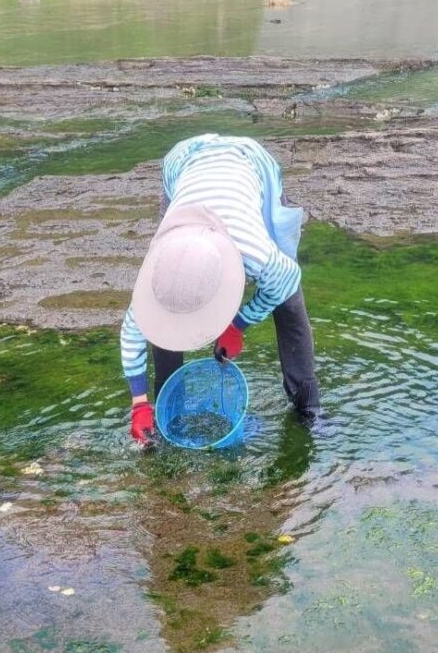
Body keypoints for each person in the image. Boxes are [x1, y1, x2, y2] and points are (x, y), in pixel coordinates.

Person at [120, 134, 320, 447]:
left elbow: (286, 280)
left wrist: (238, 325)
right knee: (169, 302)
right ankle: (166, 409)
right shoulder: (158, 264)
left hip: (250, 164)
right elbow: (133, 330)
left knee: (288, 302)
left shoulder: (256, 253)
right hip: (183, 162)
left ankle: (309, 408)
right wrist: (139, 403)